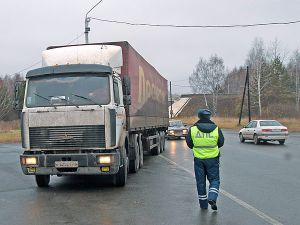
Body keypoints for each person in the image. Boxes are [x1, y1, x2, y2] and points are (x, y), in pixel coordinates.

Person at [185, 109, 224, 210]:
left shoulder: (193, 129)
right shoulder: (216, 129)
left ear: (199, 116)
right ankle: (212, 198)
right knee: (215, 180)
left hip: (198, 160)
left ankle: (203, 205)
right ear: (209, 117)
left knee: (200, 182)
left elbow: (189, 144)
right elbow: (221, 143)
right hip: (213, 159)